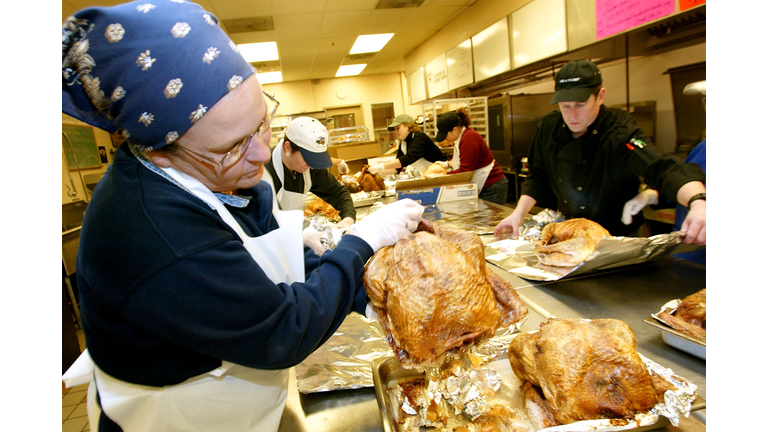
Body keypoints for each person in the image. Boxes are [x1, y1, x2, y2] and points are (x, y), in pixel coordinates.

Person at [61, 1, 423, 431]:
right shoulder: (153, 232)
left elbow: (256, 258)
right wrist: (359, 244)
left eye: (263, 124)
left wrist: (363, 287)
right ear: (160, 150)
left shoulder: (214, 177)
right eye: (231, 147)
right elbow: (282, 331)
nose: (259, 154)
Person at [493, 60, 706, 244]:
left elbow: (660, 167)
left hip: (617, 235)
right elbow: (537, 177)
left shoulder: (620, 129)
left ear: (600, 96)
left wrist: (698, 200)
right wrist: (518, 215)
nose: (572, 115)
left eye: (581, 104)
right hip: (571, 231)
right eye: (565, 106)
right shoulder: (549, 127)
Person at [262, 116, 356, 255]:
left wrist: (348, 218)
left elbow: (339, 193)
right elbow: (264, 222)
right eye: (307, 158)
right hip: (271, 248)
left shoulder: (309, 168)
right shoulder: (263, 172)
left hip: (293, 241)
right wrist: (302, 236)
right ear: (288, 147)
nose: (311, 165)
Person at [433, 108, 509, 205]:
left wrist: (441, 177)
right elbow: (464, 160)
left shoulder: (469, 139)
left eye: (445, 135)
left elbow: (466, 171)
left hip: (492, 186)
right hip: (486, 185)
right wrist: (447, 165)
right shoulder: (462, 137)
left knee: (490, 219)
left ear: (455, 129)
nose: (445, 139)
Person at [368, 113, 446, 176]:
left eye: (398, 128)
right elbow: (397, 168)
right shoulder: (404, 143)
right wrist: (378, 171)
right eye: (395, 129)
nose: (396, 132)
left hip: (442, 174)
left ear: (408, 125)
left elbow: (409, 158)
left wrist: (382, 166)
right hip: (429, 176)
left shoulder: (419, 137)